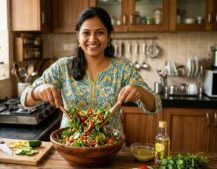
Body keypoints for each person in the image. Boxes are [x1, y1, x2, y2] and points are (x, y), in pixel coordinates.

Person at [21, 7, 162, 131]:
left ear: (109, 36)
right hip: (71, 144)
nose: (93, 39)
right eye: (86, 33)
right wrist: (37, 91)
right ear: (78, 35)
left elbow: (155, 106)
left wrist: (141, 92)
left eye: (100, 32)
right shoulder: (63, 67)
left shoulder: (122, 69)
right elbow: (25, 100)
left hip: (109, 145)